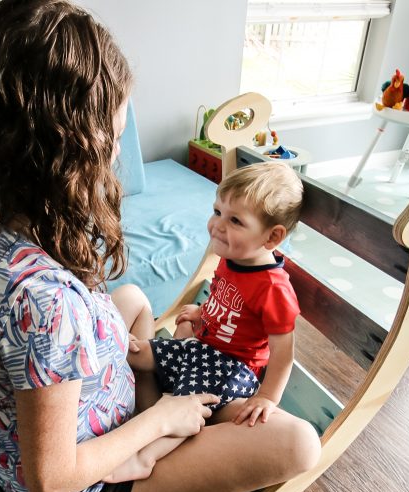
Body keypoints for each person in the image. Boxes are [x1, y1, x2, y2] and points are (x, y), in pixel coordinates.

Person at [0, 0, 320, 492]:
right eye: (110, 139)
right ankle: (155, 405)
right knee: (299, 445)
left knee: (130, 294)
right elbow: (51, 481)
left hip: (56, 417)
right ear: (67, 149)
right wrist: (159, 421)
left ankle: (151, 392)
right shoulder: (42, 302)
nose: (112, 157)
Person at [128, 163, 303, 438]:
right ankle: (131, 406)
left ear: (272, 236)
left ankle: (148, 454)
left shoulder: (273, 289)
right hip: (201, 351)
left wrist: (268, 397)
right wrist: (203, 313)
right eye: (218, 212)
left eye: (235, 221)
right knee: (135, 352)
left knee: (181, 410)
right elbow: (226, 299)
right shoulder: (232, 259)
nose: (217, 226)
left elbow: (283, 354)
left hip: (230, 369)